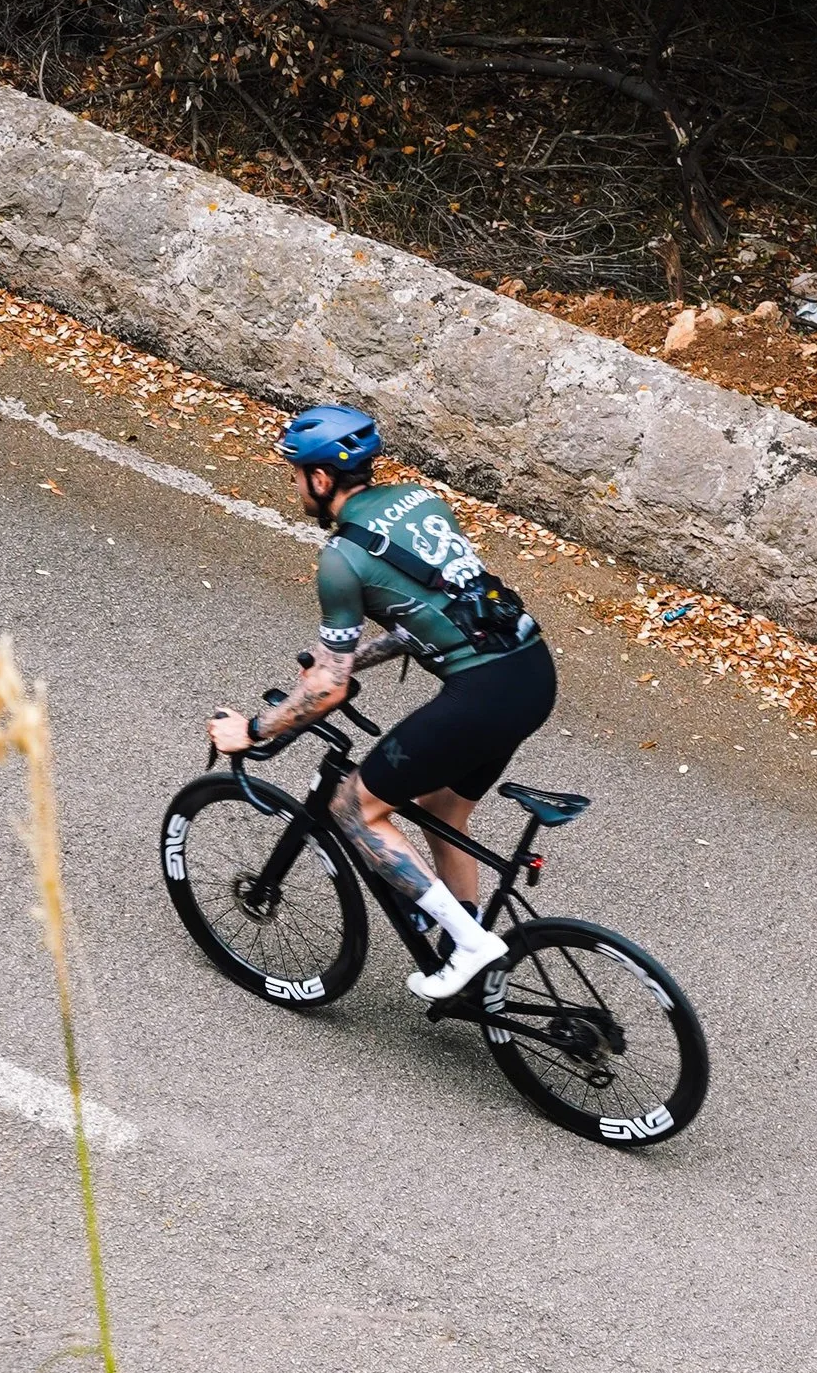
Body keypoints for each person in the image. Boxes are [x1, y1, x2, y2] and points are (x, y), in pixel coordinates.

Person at [207, 404, 558, 1000]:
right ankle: (466, 948)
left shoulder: (340, 560)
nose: (296, 486)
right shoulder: (419, 502)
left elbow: (327, 690)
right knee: (443, 810)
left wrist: (256, 729)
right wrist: (347, 659)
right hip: (530, 672)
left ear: (321, 480)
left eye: (296, 475)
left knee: (354, 807)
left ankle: (472, 947)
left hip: (483, 693)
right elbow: (430, 615)